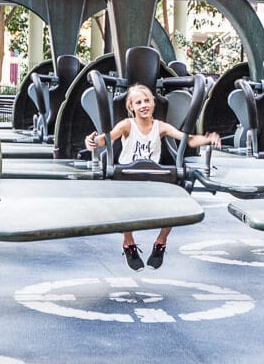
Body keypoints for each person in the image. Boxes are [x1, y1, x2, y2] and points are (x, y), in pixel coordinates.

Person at [84, 83, 221, 271]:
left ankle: (161, 242)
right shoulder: (127, 125)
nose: (143, 105)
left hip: (153, 177)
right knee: (124, 209)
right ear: (131, 107)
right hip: (128, 176)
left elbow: (188, 140)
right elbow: (105, 139)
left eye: (147, 100)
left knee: (175, 203)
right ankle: (128, 243)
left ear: (153, 104)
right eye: (138, 102)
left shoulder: (160, 126)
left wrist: (207, 139)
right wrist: (91, 141)